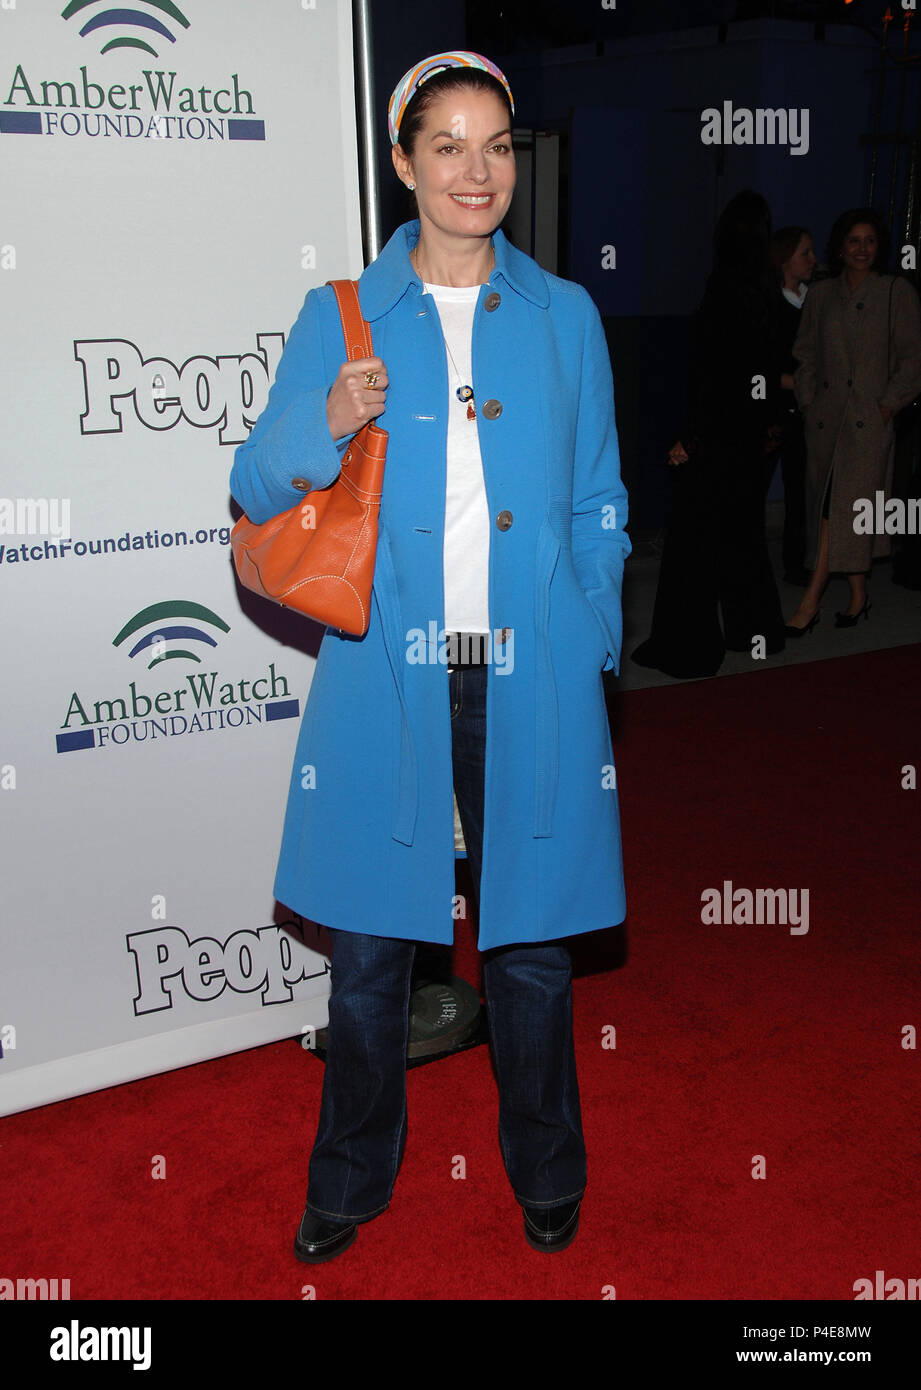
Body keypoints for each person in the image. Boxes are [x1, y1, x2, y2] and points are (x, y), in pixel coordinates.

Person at [229, 51, 631, 1263]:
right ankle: (347, 1184)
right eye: (447, 146)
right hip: (389, 680)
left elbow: (600, 497)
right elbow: (254, 484)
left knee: (532, 957)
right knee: (367, 964)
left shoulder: (567, 315)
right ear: (402, 165)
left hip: (532, 676)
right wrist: (329, 418)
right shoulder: (340, 315)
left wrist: (592, 633)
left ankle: (547, 1168)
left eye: (497, 145)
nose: (477, 170)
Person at [631, 190, 786, 679]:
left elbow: (711, 376)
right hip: (747, 435)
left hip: (718, 434)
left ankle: (690, 647)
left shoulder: (723, 288)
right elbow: (759, 370)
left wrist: (690, 438)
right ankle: (756, 632)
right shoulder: (766, 290)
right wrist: (766, 425)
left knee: (694, 542)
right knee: (743, 535)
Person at [785, 208, 921, 634]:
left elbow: (912, 358)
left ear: (879, 248)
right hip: (825, 424)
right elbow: (804, 354)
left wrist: (887, 405)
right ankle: (859, 596)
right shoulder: (821, 295)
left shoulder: (896, 292)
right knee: (833, 509)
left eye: (870, 241)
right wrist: (809, 402)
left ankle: (810, 602)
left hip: (868, 425)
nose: (861, 249)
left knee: (839, 510)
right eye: (853, 241)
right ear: (840, 248)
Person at [767, 226, 817, 585]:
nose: (812, 260)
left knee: (801, 489)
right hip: (772, 409)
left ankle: (796, 563)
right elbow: (758, 364)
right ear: (786, 259)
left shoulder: (815, 299)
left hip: (806, 410)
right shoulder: (768, 303)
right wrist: (794, 382)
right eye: (805, 253)